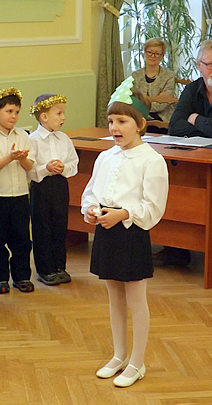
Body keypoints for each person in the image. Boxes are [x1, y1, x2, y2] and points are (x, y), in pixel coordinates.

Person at [82, 77, 168, 388]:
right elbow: (91, 191)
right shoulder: (106, 156)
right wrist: (91, 209)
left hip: (131, 233)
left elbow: (153, 206)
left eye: (122, 121)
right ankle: (119, 355)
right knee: (114, 297)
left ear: (140, 124)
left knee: (136, 299)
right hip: (107, 231)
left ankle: (137, 361)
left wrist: (124, 214)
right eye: (111, 121)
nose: (114, 128)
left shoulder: (152, 160)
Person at [0, 88, 36, 294]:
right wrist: (10, 158)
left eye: (16, 112)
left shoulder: (22, 135)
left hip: (20, 195)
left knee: (21, 239)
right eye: (9, 111)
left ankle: (21, 277)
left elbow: (30, 166)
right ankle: (0, 277)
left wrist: (22, 158)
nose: (13, 116)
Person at [28, 94, 79, 286]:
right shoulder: (33, 140)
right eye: (59, 113)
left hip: (60, 185)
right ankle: (45, 269)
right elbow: (30, 169)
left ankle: (59, 266)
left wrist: (63, 167)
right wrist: (46, 168)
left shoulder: (64, 138)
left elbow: (73, 162)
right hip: (41, 186)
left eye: (63, 113)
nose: (63, 117)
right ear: (44, 117)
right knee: (42, 226)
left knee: (59, 224)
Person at [131, 38, 178, 124]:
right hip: (139, 117)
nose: (153, 56)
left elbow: (163, 104)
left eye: (157, 54)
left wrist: (143, 104)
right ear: (145, 53)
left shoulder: (169, 76)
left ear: (162, 56)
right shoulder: (135, 76)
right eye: (149, 52)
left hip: (162, 119)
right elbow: (133, 101)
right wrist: (155, 100)